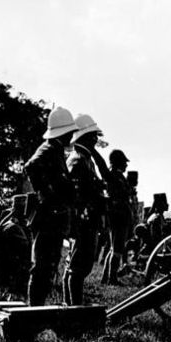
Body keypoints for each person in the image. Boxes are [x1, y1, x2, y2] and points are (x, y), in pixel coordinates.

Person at [23, 106, 78, 306]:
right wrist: (47, 196)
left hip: (52, 218)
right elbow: (31, 167)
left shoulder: (55, 150)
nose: (72, 135)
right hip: (46, 218)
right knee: (42, 267)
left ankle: (37, 308)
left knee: (48, 265)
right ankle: (34, 309)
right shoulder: (47, 149)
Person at [63, 114, 106, 304]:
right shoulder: (79, 160)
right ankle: (74, 308)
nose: (96, 140)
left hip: (87, 220)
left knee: (77, 267)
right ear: (84, 137)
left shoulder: (84, 158)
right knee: (78, 268)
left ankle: (71, 306)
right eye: (92, 136)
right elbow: (77, 197)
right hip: (84, 222)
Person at [101, 149, 135, 285]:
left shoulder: (116, 176)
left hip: (118, 214)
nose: (126, 165)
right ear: (118, 162)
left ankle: (106, 277)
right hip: (119, 215)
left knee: (114, 247)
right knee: (117, 248)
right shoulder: (115, 176)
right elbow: (120, 194)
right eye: (124, 162)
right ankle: (112, 278)